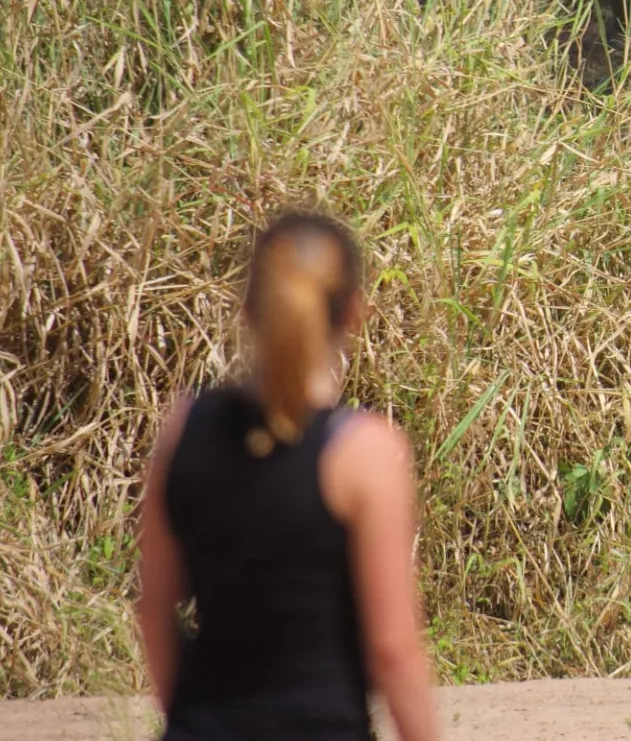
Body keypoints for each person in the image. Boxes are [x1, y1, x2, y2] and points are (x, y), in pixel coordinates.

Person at [133, 211, 441, 741]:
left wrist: (193, 720)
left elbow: (155, 611)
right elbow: (392, 649)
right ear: (354, 313)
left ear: (247, 308)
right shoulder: (364, 452)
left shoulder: (184, 430)